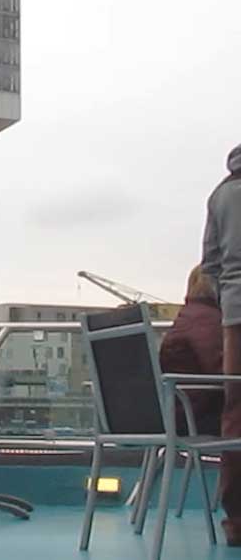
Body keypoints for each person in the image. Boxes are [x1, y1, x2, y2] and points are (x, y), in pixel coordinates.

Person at [201, 143, 241, 544]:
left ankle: (237, 522)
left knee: (237, 414)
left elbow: (209, 265)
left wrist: (228, 297)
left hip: (236, 315)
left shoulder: (219, 195)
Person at [158, 265, 223, 436]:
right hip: (199, 416)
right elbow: (223, 371)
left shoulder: (191, 316)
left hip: (179, 413)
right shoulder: (209, 321)